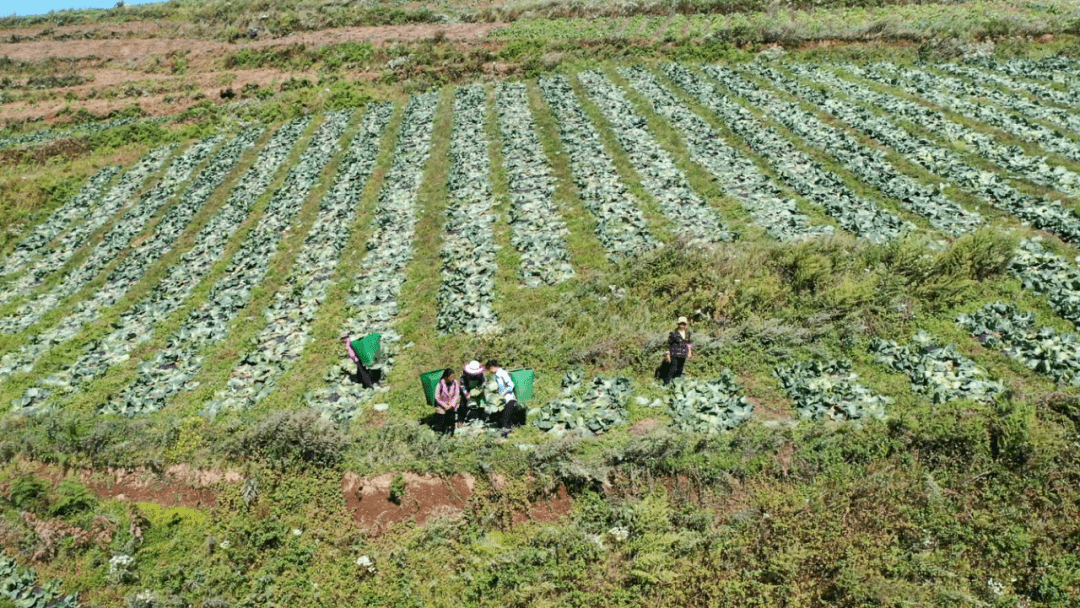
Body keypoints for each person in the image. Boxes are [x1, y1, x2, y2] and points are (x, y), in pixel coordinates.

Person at [485, 360, 518, 436]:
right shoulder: (495, 375)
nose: (490, 371)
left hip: (508, 399)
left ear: (492, 367)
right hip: (501, 400)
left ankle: (505, 436)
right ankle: (506, 433)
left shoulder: (502, 373)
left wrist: (504, 393)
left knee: (505, 419)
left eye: (489, 369)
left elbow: (511, 385)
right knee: (502, 418)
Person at [664, 316, 693, 385]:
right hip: (675, 353)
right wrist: (668, 354)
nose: (682, 326)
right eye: (681, 324)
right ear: (678, 324)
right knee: (672, 368)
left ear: (686, 325)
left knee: (680, 369)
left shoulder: (687, 333)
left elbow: (688, 343)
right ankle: (666, 383)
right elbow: (669, 344)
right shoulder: (673, 333)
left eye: (684, 324)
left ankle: (677, 383)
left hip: (683, 354)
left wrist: (689, 351)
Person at [434, 368, 461, 436]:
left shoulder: (455, 383)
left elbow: (456, 394)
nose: (452, 378)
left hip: (451, 405)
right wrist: (445, 406)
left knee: (451, 419)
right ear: (446, 377)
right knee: (442, 418)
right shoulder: (440, 384)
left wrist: (451, 404)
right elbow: (437, 398)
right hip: (442, 405)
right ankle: (440, 432)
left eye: (453, 376)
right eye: (451, 377)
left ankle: (451, 433)